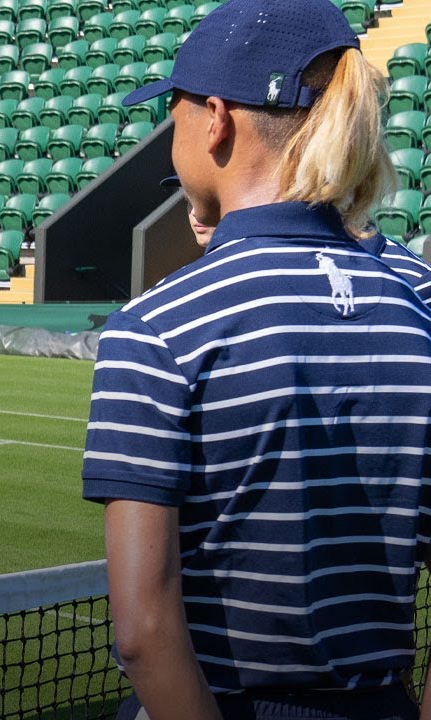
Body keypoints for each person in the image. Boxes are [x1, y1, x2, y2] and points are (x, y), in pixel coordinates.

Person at [81, 0, 431, 717]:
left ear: (215, 119)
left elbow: (144, 634)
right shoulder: (420, 300)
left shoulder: (156, 327)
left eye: (173, 110)